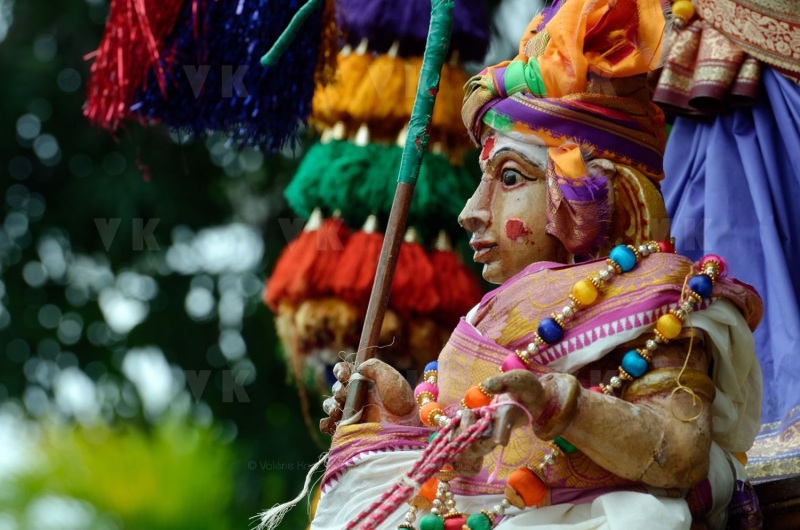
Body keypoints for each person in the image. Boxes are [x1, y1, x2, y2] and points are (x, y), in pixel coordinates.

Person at [312, 1, 763, 528]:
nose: (470, 213)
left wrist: (560, 403)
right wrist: (402, 418)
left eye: (507, 179)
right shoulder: (486, 316)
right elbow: (464, 470)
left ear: (587, 199)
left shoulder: (657, 296)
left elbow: (681, 455)